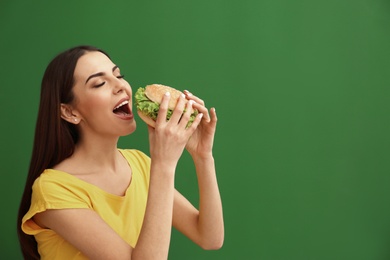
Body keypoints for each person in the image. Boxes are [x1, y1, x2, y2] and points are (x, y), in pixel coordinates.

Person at [17, 45, 224, 259]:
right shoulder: (53, 189)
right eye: (99, 83)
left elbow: (210, 237)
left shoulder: (138, 164)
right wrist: (164, 164)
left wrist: (203, 156)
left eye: (118, 75)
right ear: (70, 112)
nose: (120, 86)